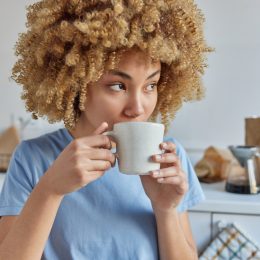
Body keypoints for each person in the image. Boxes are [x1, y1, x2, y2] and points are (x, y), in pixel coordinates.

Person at [0, 0, 212, 259]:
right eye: (118, 86)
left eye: (150, 85)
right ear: (76, 83)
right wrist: (50, 190)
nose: (138, 108)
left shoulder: (168, 158)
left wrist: (165, 209)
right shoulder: (33, 158)